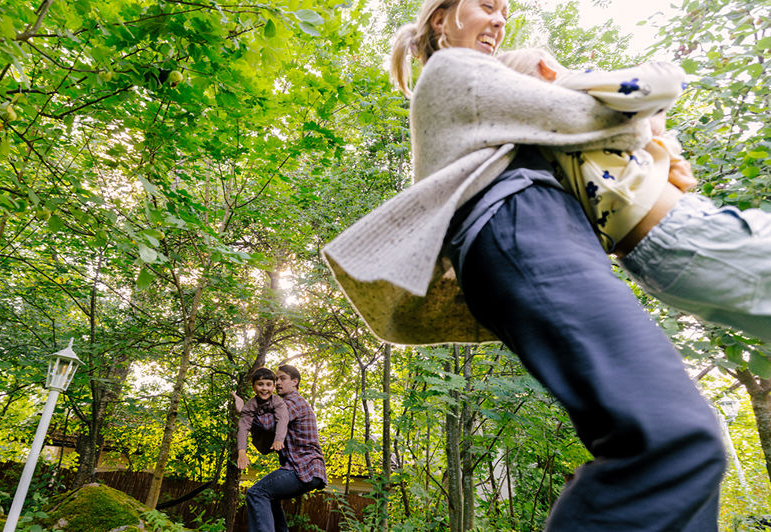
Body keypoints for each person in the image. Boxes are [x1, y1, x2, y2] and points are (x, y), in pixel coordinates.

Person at [321, 0, 726, 530]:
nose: (499, 18)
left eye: (505, 12)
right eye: (486, 5)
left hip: (536, 235)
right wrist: (646, 107)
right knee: (674, 440)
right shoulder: (455, 70)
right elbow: (591, 117)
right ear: (441, 19)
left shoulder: (480, 94)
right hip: (520, 225)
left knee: (685, 445)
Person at [499, 47, 771, 342]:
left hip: (652, 264)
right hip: (681, 233)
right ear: (546, 68)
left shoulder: (533, 147)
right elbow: (667, 80)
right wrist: (573, 79)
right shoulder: (560, 95)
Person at [245, 364, 327, 532]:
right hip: (304, 468)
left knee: (257, 493)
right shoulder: (284, 404)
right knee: (270, 497)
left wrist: (245, 410)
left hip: (305, 468)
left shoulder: (293, 401)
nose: (278, 383)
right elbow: (266, 445)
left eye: (282, 378)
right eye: (276, 379)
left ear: (295, 382)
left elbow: (267, 423)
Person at [235, 368, 289, 470]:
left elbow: (282, 419)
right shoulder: (250, 405)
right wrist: (241, 452)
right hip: (261, 441)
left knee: (284, 416)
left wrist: (279, 439)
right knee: (247, 417)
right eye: (260, 384)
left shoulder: (277, 401)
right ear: (253, 387)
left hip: (276, 439)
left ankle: (286, 464)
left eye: (268, 385)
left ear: (274, 386)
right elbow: (243, 429)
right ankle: (241, 410)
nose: (264, 388)